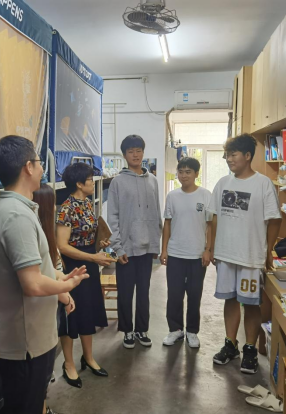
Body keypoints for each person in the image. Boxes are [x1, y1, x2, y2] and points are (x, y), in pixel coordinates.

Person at [0, 136, 89, 414]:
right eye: (39, 161)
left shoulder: (19, 208)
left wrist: (58, 277)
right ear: (28, 167)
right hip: (26, 345)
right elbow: (32, 283)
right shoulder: (16, 216)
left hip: (30, 340)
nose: (42, 168)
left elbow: (35, 268)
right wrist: (67, 285)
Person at [207, 134, 281, 374]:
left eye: (233, 154)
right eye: (227, 155)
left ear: (248, 156)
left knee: (250, 303)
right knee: (229, 300)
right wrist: (211, 247)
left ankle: (250, 348)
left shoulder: (263, 184)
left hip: (250, 256)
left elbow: (274, 220)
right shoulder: (222, 183)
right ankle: (230, 345)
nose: (229, 159)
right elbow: (213, 218)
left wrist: (268, 250)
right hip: (226, 254)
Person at [56, 163, 115, 388]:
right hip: (73, 267)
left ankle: (88, 358)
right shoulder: (66, 209)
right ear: (79, 184)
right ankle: (69, 364)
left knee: (88, 310)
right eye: (90, 179)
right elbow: (63, 246)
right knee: (72, 314)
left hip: (89, 261)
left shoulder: (88, 204)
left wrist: (100, 243)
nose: (93, 182)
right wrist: (92, 257)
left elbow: (89, 236)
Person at [107, 134, 162, 349]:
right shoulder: (117, 182)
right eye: (131, 151)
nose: (135, 154)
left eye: (138, 150)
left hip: (147, 247)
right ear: (124, 155)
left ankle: (141, 329)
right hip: (126, 248)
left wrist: (156, 244)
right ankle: (127, 331)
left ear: (143, 153)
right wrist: (117, 248)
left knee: (144, 292)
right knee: (125, 292)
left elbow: (156, 214)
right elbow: (112, 217)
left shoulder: (153, 181)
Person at [160, 157, 212, 348]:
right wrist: (164, 250)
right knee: (174, 294)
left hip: (197, 255)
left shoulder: (206, 195)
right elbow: (167, 224)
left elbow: (210, 225)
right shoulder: (172, 196)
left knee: (194, 295)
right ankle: (175, 329)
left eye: (188, 172)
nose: (184, 175)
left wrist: (208, 250)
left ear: (196, 174)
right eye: (181, 172)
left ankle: (192, 331)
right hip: (175, 253)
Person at [33, 183, 75, 414]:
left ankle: (43, 406)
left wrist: (64, 286)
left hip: (54, 298)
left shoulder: (45, 232)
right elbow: (45, 275)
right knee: (40, 367)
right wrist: (64, 294)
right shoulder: (38, 235)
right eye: (54, 204)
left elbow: (53, 270)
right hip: (48, 302)